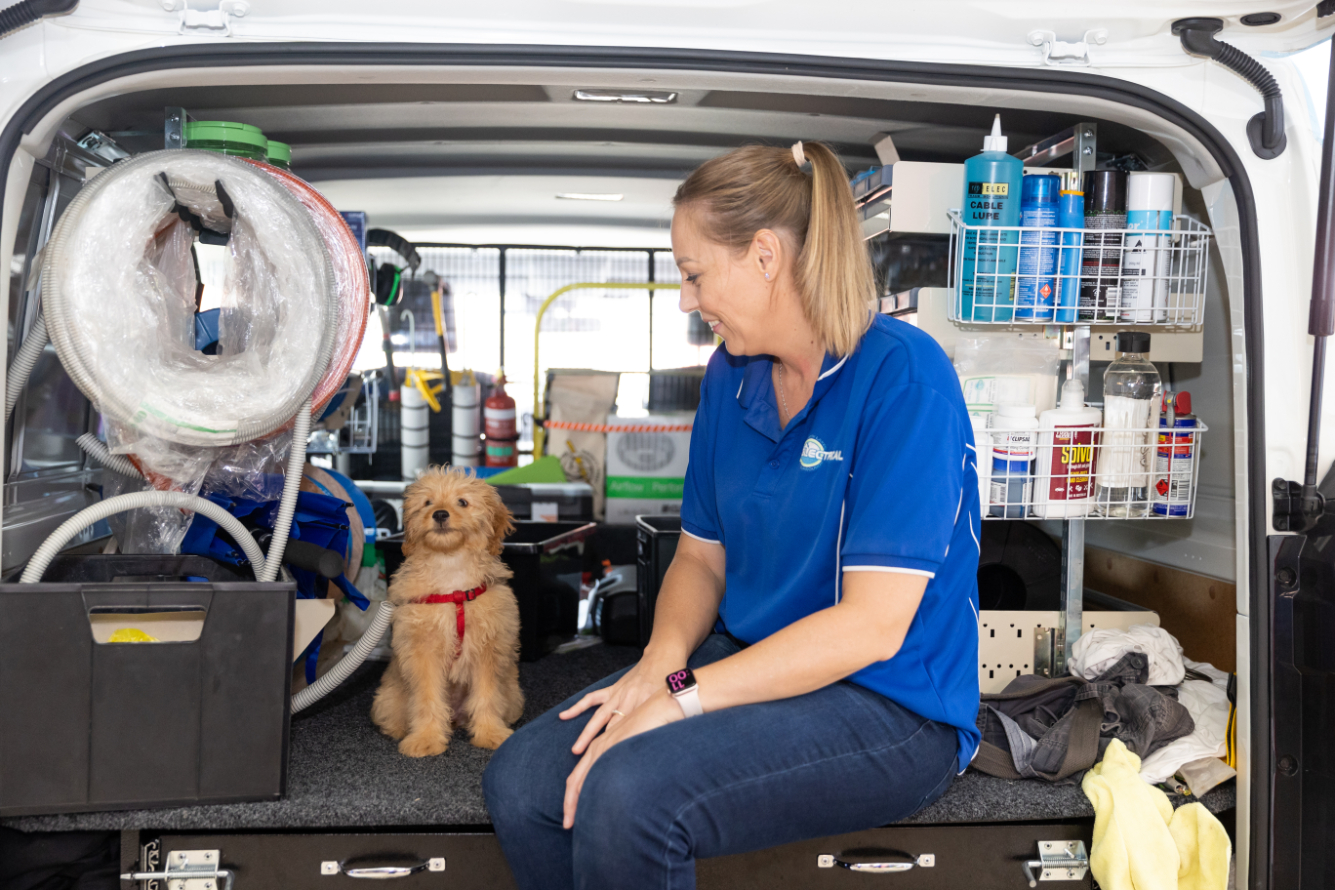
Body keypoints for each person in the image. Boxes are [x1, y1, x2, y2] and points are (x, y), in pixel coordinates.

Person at [483, 140, 981, 890]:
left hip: (891, 702)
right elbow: (699, 555)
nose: (685, 298)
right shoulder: (730, 375)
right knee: (523, 783)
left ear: (765, 256)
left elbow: (870, 627)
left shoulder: (904, 378)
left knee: (631, 793)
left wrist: (678, 701)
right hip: (750, 663)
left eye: (692, 274)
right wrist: (659, 664)